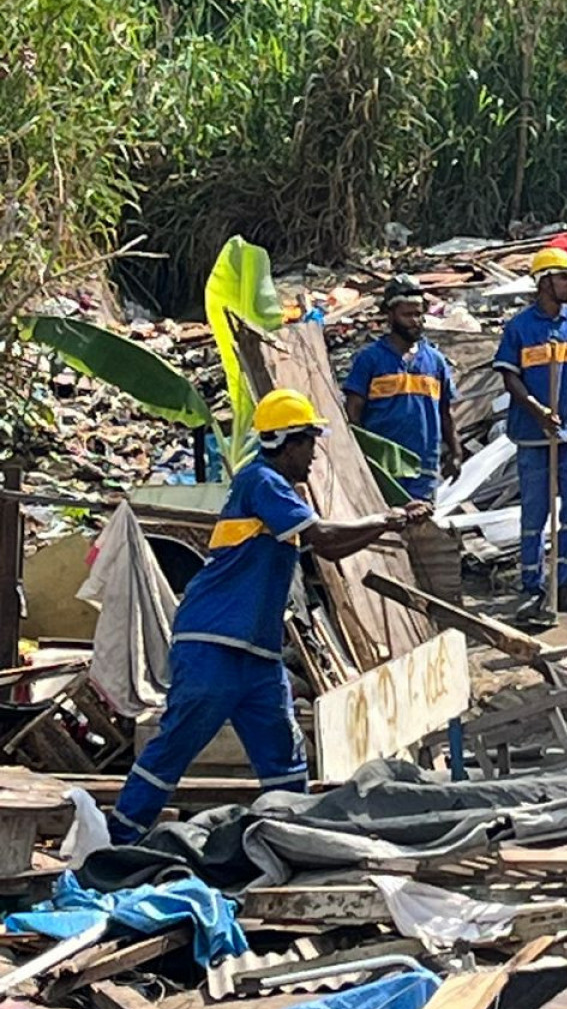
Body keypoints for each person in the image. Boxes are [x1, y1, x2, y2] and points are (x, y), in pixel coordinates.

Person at [109, 390, 428, 844]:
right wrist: (389, 519)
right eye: (309, 443)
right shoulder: (261, 481)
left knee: (284, 760)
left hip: (256, 652)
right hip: (214, 643)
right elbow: (323, 535)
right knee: (175, 746)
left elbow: (329, 549)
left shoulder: (277, 493)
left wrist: (389, 524)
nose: (314, 455)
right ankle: (118, 841)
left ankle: (293, 839)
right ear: (287, 442)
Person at [494, 246, 567, 621]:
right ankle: (533, 587)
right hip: (533, 433)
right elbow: (510, 378)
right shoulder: (520, 328)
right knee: (535, 511)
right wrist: (537, 410)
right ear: (543, 282)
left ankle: (565, 582)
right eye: (563, 277)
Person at [342, 275, 461, 502]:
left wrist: (455, 453)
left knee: (422, 521)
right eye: (407, 315)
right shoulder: (370, 359)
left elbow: (446, 412)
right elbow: (353, 414)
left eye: (418, 314)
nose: (415, 321)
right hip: (384, 469)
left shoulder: (435, 361)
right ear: (390, 315)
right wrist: (361, 459)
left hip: (423, 469)